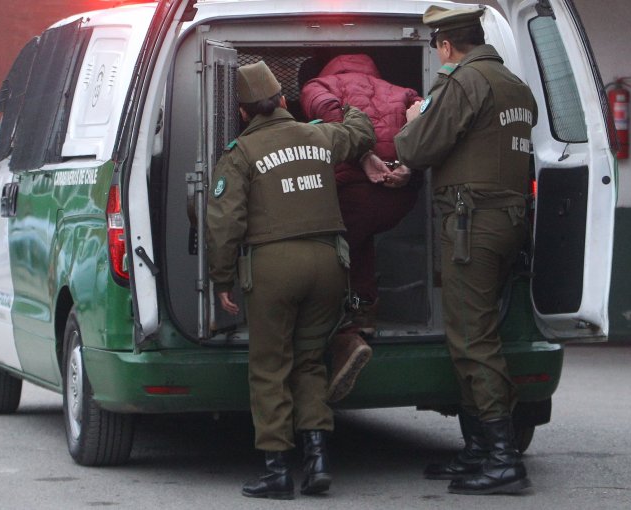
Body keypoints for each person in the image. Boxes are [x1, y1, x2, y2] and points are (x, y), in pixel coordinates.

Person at [206, 61, 375, 499]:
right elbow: (360, 134)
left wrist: (222, 278)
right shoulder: (319, 134)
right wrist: (353, 104)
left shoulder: (240, 152)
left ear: (243, 114)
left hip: (274, 268)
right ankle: (318, 459)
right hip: (329, 266)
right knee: (310, 361)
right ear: (283, 101)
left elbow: (226, 221)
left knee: (270, 365)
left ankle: (277, 469)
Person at [393, 5, 537, 496]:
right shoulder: (514, 85)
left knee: (474, 339)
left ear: (446, 46)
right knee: (474, 331)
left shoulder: (462, 83)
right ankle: (479, 448)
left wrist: (415, 117)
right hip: (507, 222)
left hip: (472, 225)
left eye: (437, 50)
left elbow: (415, 148)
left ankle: (501, 457)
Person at [300, 53, 423, 403]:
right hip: (397, 197)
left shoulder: (318, 86)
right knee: (359, 239)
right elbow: (426, 124)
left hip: (350, 193)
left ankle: (346, 335)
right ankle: (366, 308)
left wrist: (361, 155)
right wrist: (409, 167)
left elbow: (328, 112)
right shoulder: (404, 91)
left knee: (329, 252)